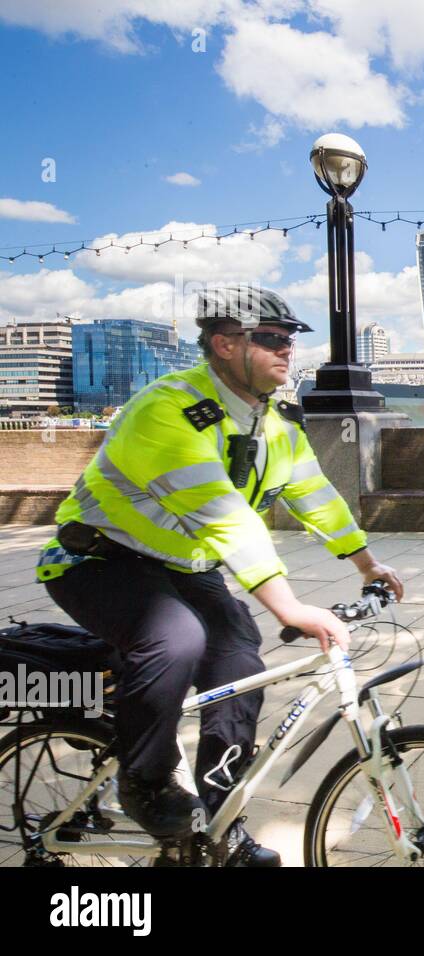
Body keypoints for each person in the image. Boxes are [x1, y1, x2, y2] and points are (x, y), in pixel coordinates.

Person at [34, 286, 404, 866]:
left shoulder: (272, 425)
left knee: (238, 655)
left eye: (290, 341)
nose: (287, 351)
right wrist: (290, 607)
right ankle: (146, 782)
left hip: (181, 564)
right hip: (99, 558)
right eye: (273, 339)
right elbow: (224, 518)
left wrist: (366, 564)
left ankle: (219, 817)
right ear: (225, 344)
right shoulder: (167, 411)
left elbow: (315, 495)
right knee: (176, 639)